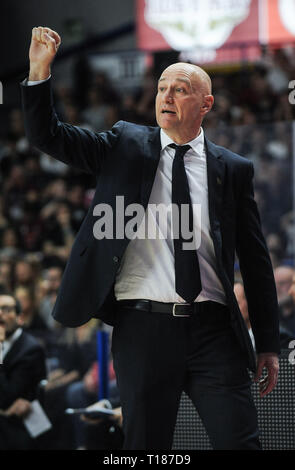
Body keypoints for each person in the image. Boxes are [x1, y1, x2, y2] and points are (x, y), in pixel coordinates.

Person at [21, 26, 280, 450]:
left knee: (241, 442)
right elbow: (48, 137)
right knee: (146, 449)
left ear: (206, 104)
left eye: (181, 89)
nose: (167, 96)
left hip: (214, 330)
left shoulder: (232, 169)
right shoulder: (125, 142)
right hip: (142, 327)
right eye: (162, 88)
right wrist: (38, 74)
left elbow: (255, 261)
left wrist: (267, 342)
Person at [0, 292, 46, 449]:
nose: (0, 314)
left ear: (20, 317)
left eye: (6, 309)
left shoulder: (30, 350)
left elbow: (7, 398)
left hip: (19, 425)